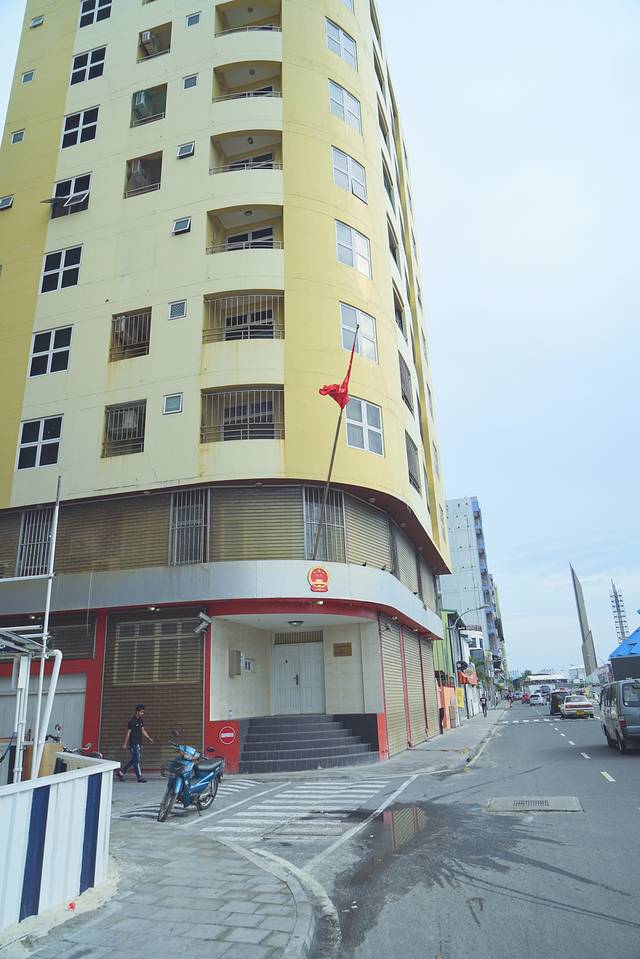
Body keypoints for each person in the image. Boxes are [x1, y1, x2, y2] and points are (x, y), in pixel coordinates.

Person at [116, 704, 153, 783]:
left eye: (143, 712)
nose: (143, 713)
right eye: (141, 712)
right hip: (133, 743)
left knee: (134, 760)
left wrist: (148, 737)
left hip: (140, 743)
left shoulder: (141, 720)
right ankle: (139, 777)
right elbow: (128, 733)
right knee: (136, 761)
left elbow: (143, 730)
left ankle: (121, 773)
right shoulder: (132, 721)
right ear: (137, 712)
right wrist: (125, 744)